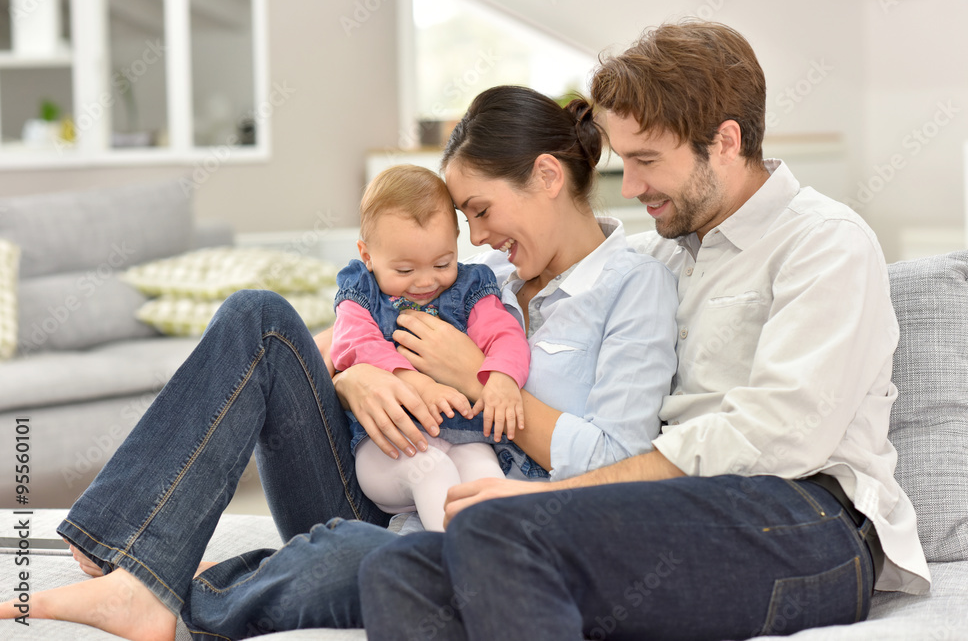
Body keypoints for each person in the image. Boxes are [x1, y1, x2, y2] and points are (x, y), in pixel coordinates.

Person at [0, 86, 678, 639]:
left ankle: (177, 588)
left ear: (548, 177)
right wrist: (356, 377)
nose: (473, 236)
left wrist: (476, 371)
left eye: (479, 209)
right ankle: (130, 546)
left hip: (474, 526)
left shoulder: (632, 284)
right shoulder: (479, 270)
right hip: (377, 476)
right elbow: (338, 344)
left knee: (365, 559)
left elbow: (618, 464)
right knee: (257, 316)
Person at [356, 20, 932, 641]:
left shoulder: (823, 242)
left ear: (726, 142)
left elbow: (780, 434)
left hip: (802, 518)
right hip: (673, 510)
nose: (628, 188)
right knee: (398, 571)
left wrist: (562, 496)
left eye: (646, 161)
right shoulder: (656, 258)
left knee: (501, 530)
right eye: (623, 161)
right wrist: (361, 367)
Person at [332, 163, 531, 531]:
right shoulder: (361, 290)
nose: (425, 281)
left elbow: (504, 333)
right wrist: (417, 383)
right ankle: (453, 561)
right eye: (405, 271)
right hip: (390, 448)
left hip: (464, 436)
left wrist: (503, 376)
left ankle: (495, 559)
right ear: (368, 255)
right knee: (433, 470)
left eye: (443, 262)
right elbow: (354, 345)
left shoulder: (472, 287)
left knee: (485, 473)